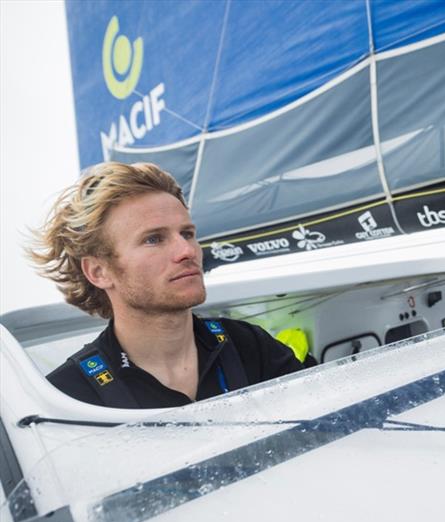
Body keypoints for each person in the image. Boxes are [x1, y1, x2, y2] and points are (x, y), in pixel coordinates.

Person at [30, 162, 308, 408]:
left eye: (187, 233)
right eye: (153, 239)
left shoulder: (248, 345)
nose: (186, 251)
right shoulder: (68, 397)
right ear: (99, 271)